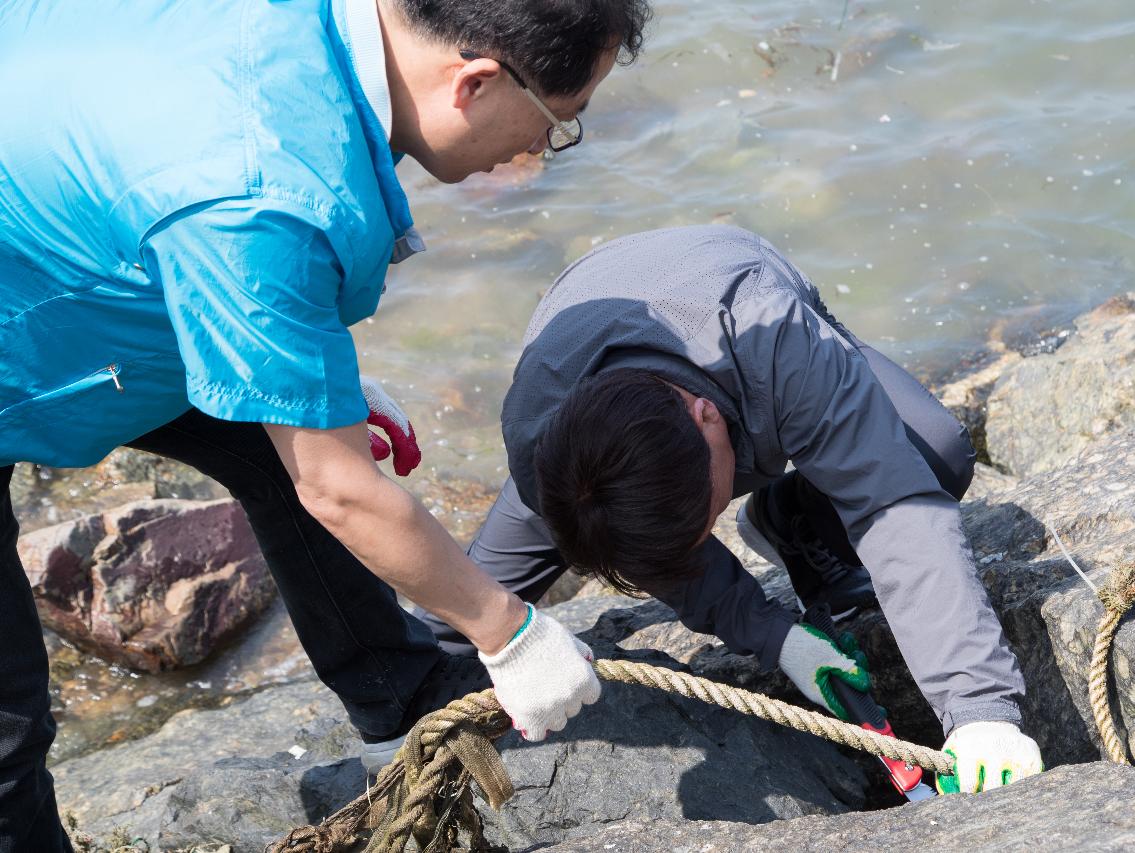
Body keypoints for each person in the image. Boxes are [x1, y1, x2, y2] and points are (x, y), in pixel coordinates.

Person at [0, 0, 652, 849]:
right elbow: (338, 490)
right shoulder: (256, 189)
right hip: (32, 308)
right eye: (556, 124)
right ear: (477, 83)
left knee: (277, 438)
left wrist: (309, 367)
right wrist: (510, 629)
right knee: (8, 733)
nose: (536, 153)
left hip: (56, 246)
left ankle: (397, 688)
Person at [416, 224, 1045, 795]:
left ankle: (792, 517)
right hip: (586, 373)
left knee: (932, 457)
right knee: (449, 633)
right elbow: (655, 555)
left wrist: (981, 709)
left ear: (707, 416)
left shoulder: (779, 342)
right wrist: (777, 637)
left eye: (703, 520)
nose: (705, 534)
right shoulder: (537, 425)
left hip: (732, 292)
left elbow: (896, 505)